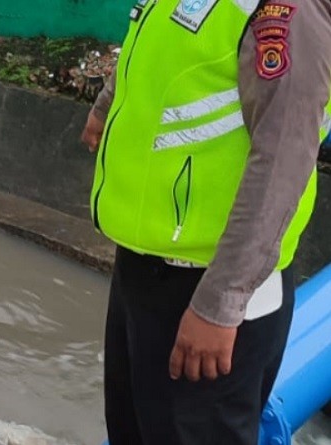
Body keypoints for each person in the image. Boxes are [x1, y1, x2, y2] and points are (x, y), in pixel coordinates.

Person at [80, 0, 331, 443]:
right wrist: (107, 103)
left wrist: (220, 305)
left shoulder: (288, 13)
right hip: (145, 266)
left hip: (211, 290)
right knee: (130, 430)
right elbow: (159, 43)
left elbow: (281, 165)